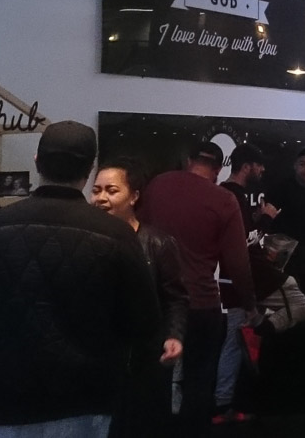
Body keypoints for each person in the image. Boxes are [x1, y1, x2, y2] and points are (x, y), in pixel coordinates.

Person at [0, 121, 164, 438]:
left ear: (37, 161)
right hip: (87, 404)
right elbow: (145, 328)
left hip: (2, 405)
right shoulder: (117, 235)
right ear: (89, 169)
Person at [138, 139, 255, 437]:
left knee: (156, 380)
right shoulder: (223, 200)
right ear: (218, 170)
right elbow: (237, 263)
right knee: (199, 382)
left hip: (158, 301)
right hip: (201, 302)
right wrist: (249, 303)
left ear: (188, 161)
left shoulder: (158, 185)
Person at [90, 158, 189, 438]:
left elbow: (175, 298)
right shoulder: (85, 241)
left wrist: (174, 335)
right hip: (98, 361)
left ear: (134, 196)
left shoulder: (158, 243)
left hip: (145, 361)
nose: (101, 198)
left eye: (111, 190)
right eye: (96, 190)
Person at [215, 144, 273, 421]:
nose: (262, 170)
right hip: (234, 281)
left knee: (234, 341)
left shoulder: (227, 195)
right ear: (247, 165)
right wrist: (265, 222)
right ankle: (223, 400)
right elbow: (244, 242)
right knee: (233, 342)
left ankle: (227, 398)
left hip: (231, 280)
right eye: (258, 165)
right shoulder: (232, 197)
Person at [266, 146, 305, 295]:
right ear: (295, 165)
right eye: (302, 164)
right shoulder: (282, 186)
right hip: (285, 248)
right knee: (288, 293)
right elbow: (269, 214)